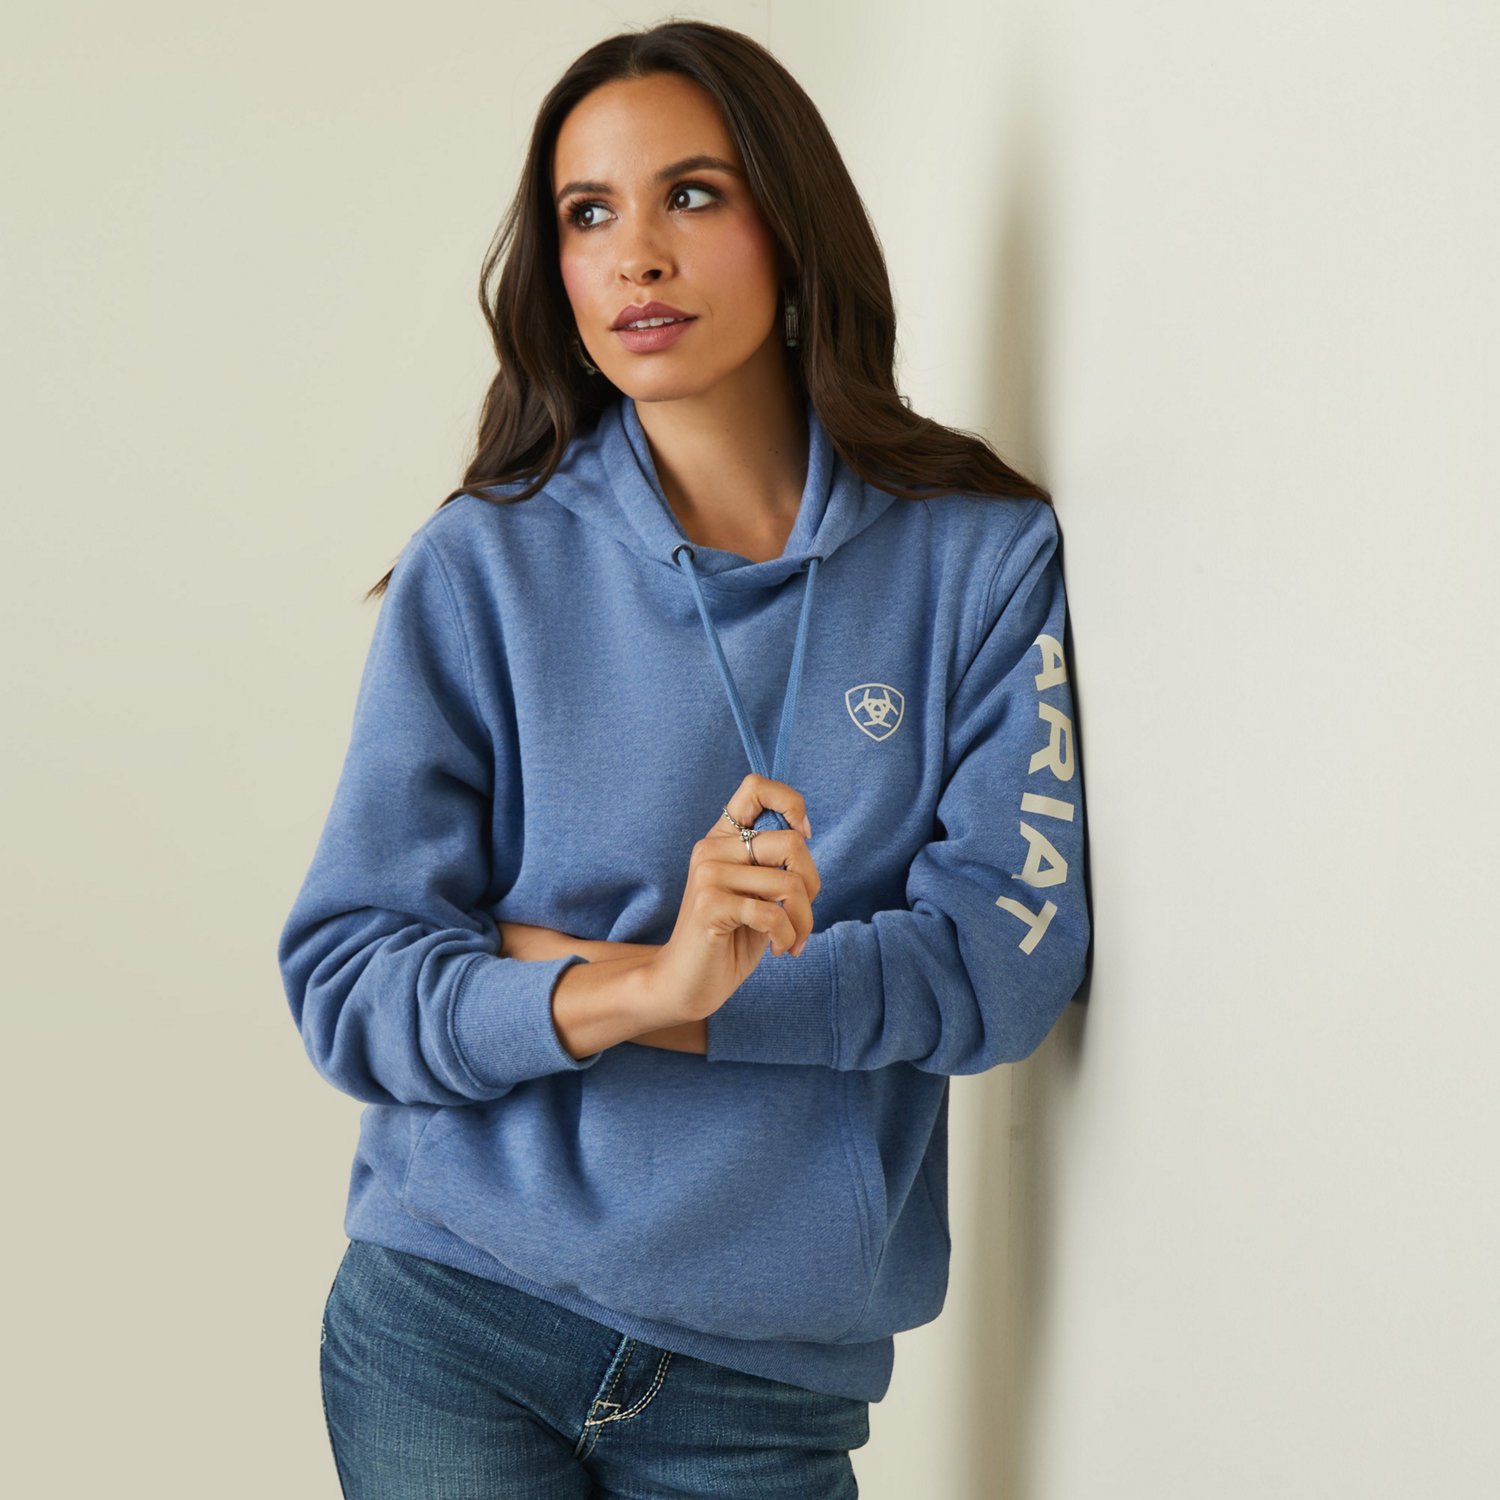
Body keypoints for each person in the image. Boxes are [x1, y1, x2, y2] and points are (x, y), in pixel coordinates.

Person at [277, 18, 1091, 1498]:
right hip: (452, 1316)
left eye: (692, 195)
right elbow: (350, 981)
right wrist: (651, 983)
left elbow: (997, 969)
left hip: (760, 1386)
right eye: (589, 214)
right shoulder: (484, 566)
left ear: (793, 225)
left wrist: (647, 989)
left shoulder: (979, 561)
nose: (637, 256)